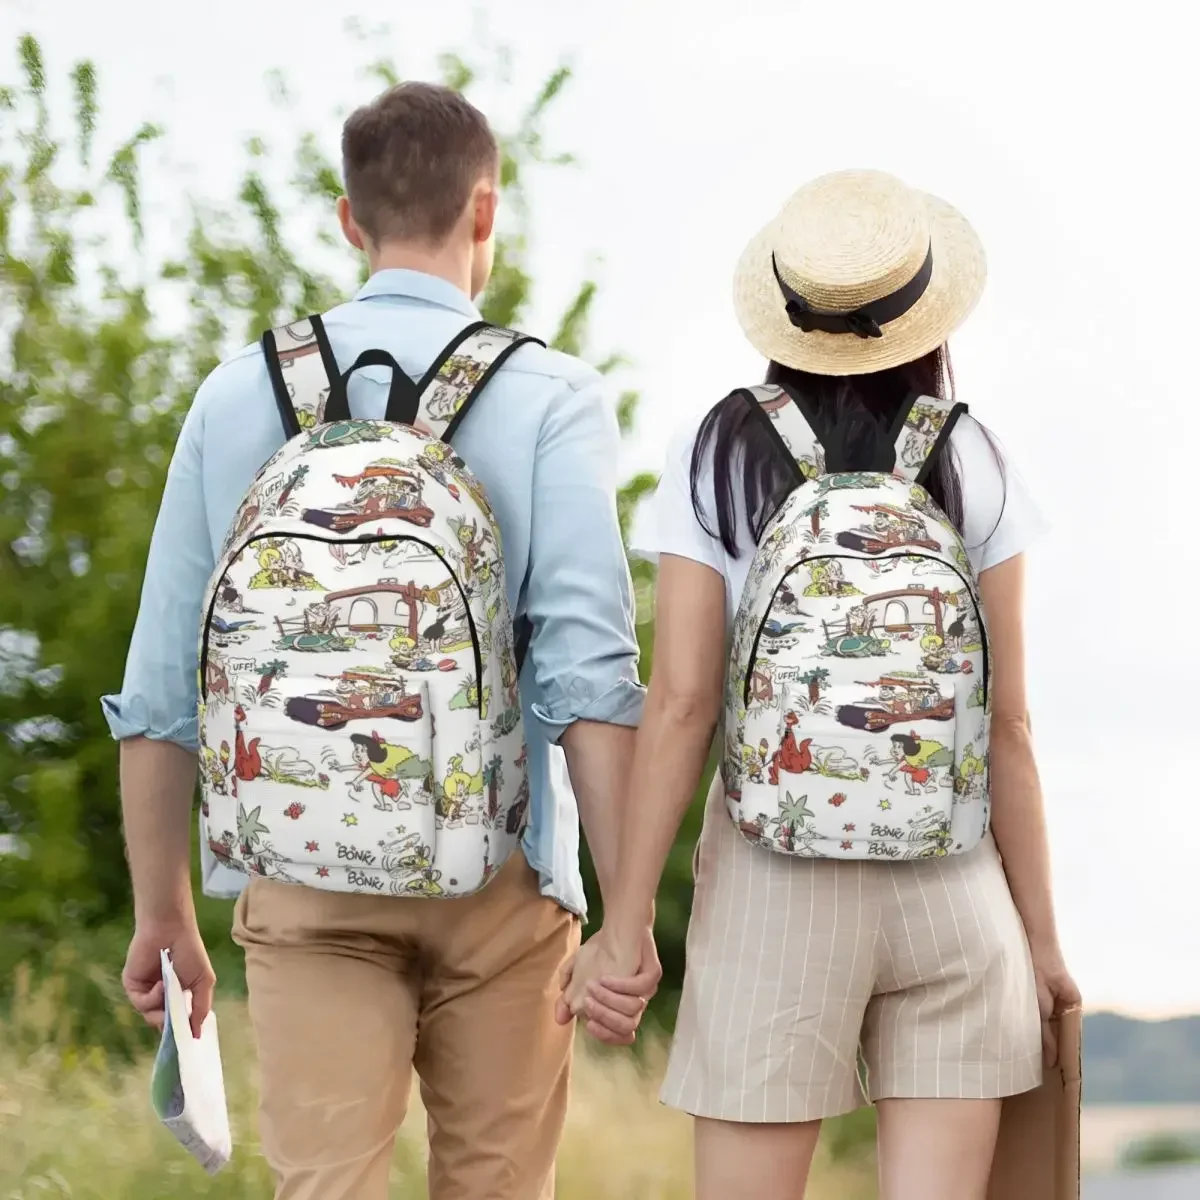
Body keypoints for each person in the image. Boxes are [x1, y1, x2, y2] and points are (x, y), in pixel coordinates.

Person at [105, 81, 660, 1200]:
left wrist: (162, 911)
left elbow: (164, 682)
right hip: (500, 877)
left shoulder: (237, 393)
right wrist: (627, 916)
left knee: (325, 1186)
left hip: (300, 872)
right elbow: (588, 679)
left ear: (349, 220)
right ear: (486, 212)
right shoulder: (550, 394)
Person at [560, 169, 1080, 1200]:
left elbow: (682, 706)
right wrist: (1043, 944)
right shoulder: (973, 455)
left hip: (773, 884)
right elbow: (1010, 725)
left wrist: (623, 927)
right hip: (954, 884)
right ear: (924, 313)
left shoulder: (717, 450)